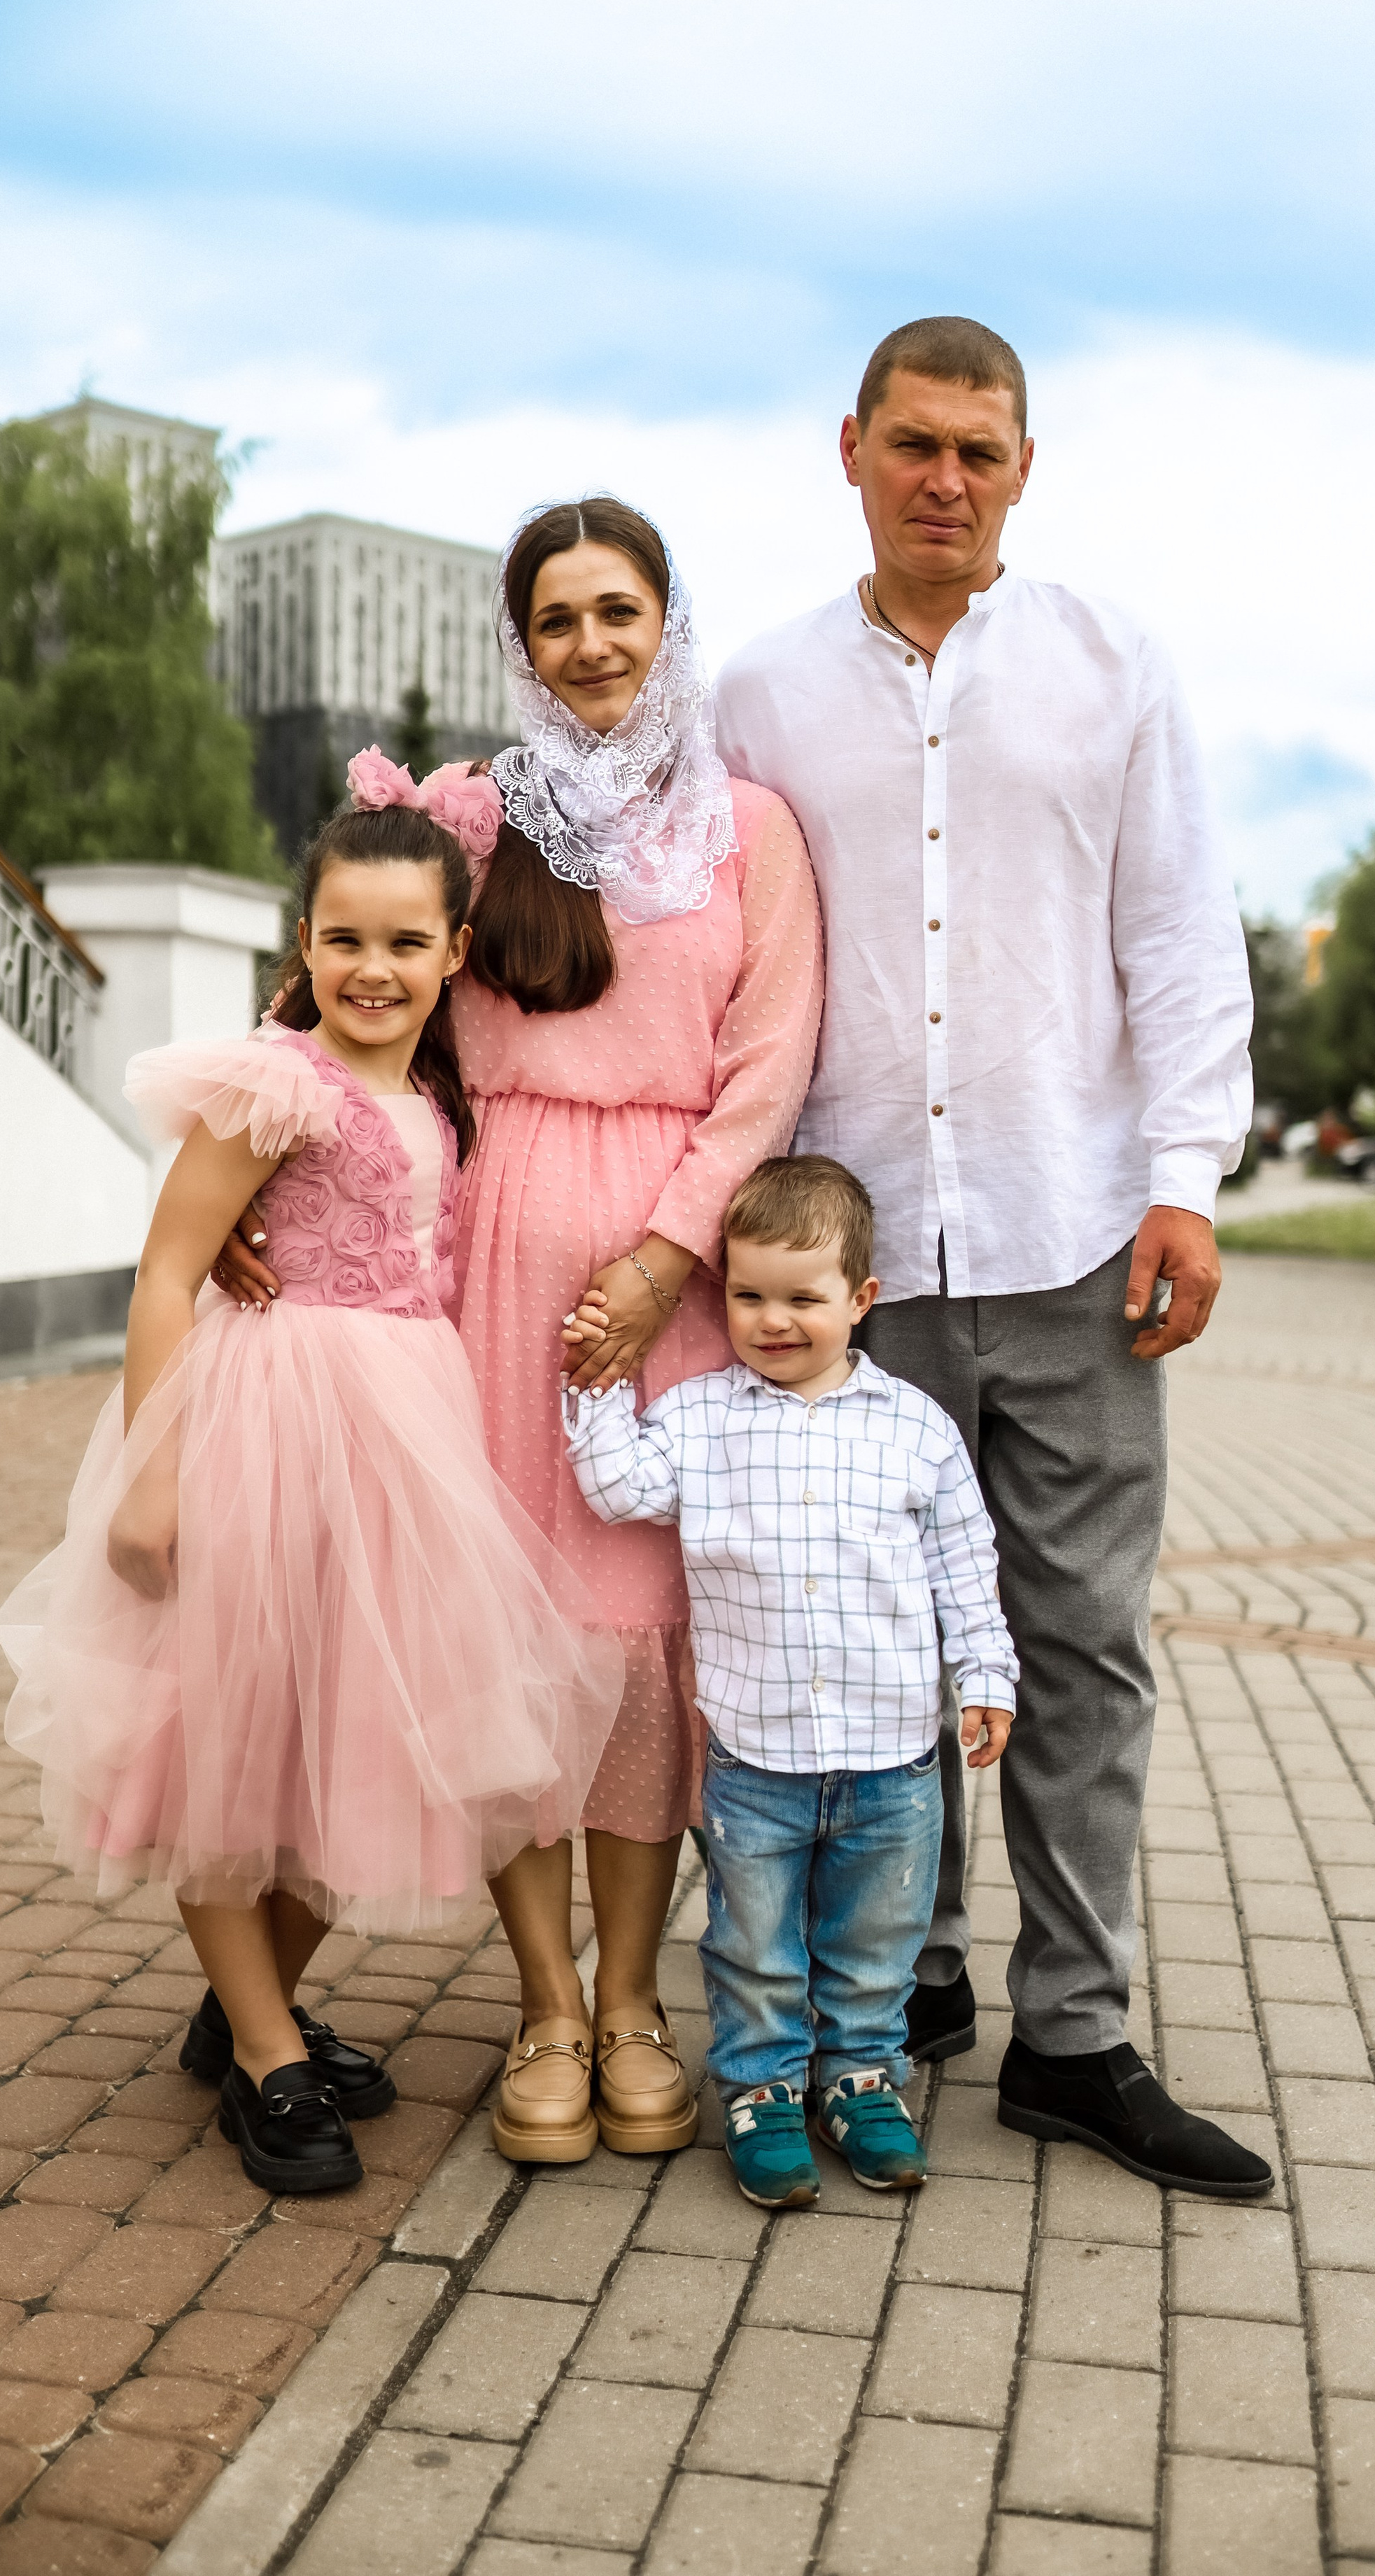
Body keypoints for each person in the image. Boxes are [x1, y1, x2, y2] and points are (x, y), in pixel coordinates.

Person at [712, 318, 1271, 2200]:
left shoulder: (1116, 670)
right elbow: (689, 938)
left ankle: (1077, 2035)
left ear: (1027, 466)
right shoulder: (762, 695)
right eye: (917, 444)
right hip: (848, 1258)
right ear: (850, 447)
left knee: (1080, 1651)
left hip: (1072, 1235)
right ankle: (907, 1988)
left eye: (984, 449)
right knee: (867, 1653)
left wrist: (1185, 1176)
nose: (948, 476)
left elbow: (1185, 932)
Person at [217, 499, 823, 2165]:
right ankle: (543, 2003)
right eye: (555, 620)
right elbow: (338, 1003)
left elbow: (767, 1069)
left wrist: (662, 1255)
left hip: (668, 1277)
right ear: (519, 643)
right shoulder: (473, 813)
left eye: (618, 609)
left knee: (633, 1652)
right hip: (473, 1275)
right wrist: (240, 1215)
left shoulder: (748, 829)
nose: (591, 646)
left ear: (666, 618)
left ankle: (635, 2002)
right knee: (500, 1631)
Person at [0, 784, 623, 2197]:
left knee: (352, 1737)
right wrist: (148, 1479)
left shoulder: (442, 1087)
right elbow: (169, 1267)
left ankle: (246, 2011)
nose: (373, 970)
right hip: (268, 1430)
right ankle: (270, 2061)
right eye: (344, 939)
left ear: (456, 953)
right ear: (304, 940)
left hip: (406, 1442)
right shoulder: (278, 1080)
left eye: (406, 943)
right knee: (229, 1742)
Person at [563, 1155, 1017, 2209]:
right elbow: (623, 1489)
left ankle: (862, 2080)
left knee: (875, 1941)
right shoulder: (698, 1416)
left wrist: (986, 1672)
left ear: (860, 1300)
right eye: (749, 1295)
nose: (774, 1320)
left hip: (894, 1758)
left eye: (803, 1299)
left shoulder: (916, 1428)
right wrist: (592, 1379)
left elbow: (964, 1563)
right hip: (755, 1756)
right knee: (752, 1942)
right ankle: (762, 2091)